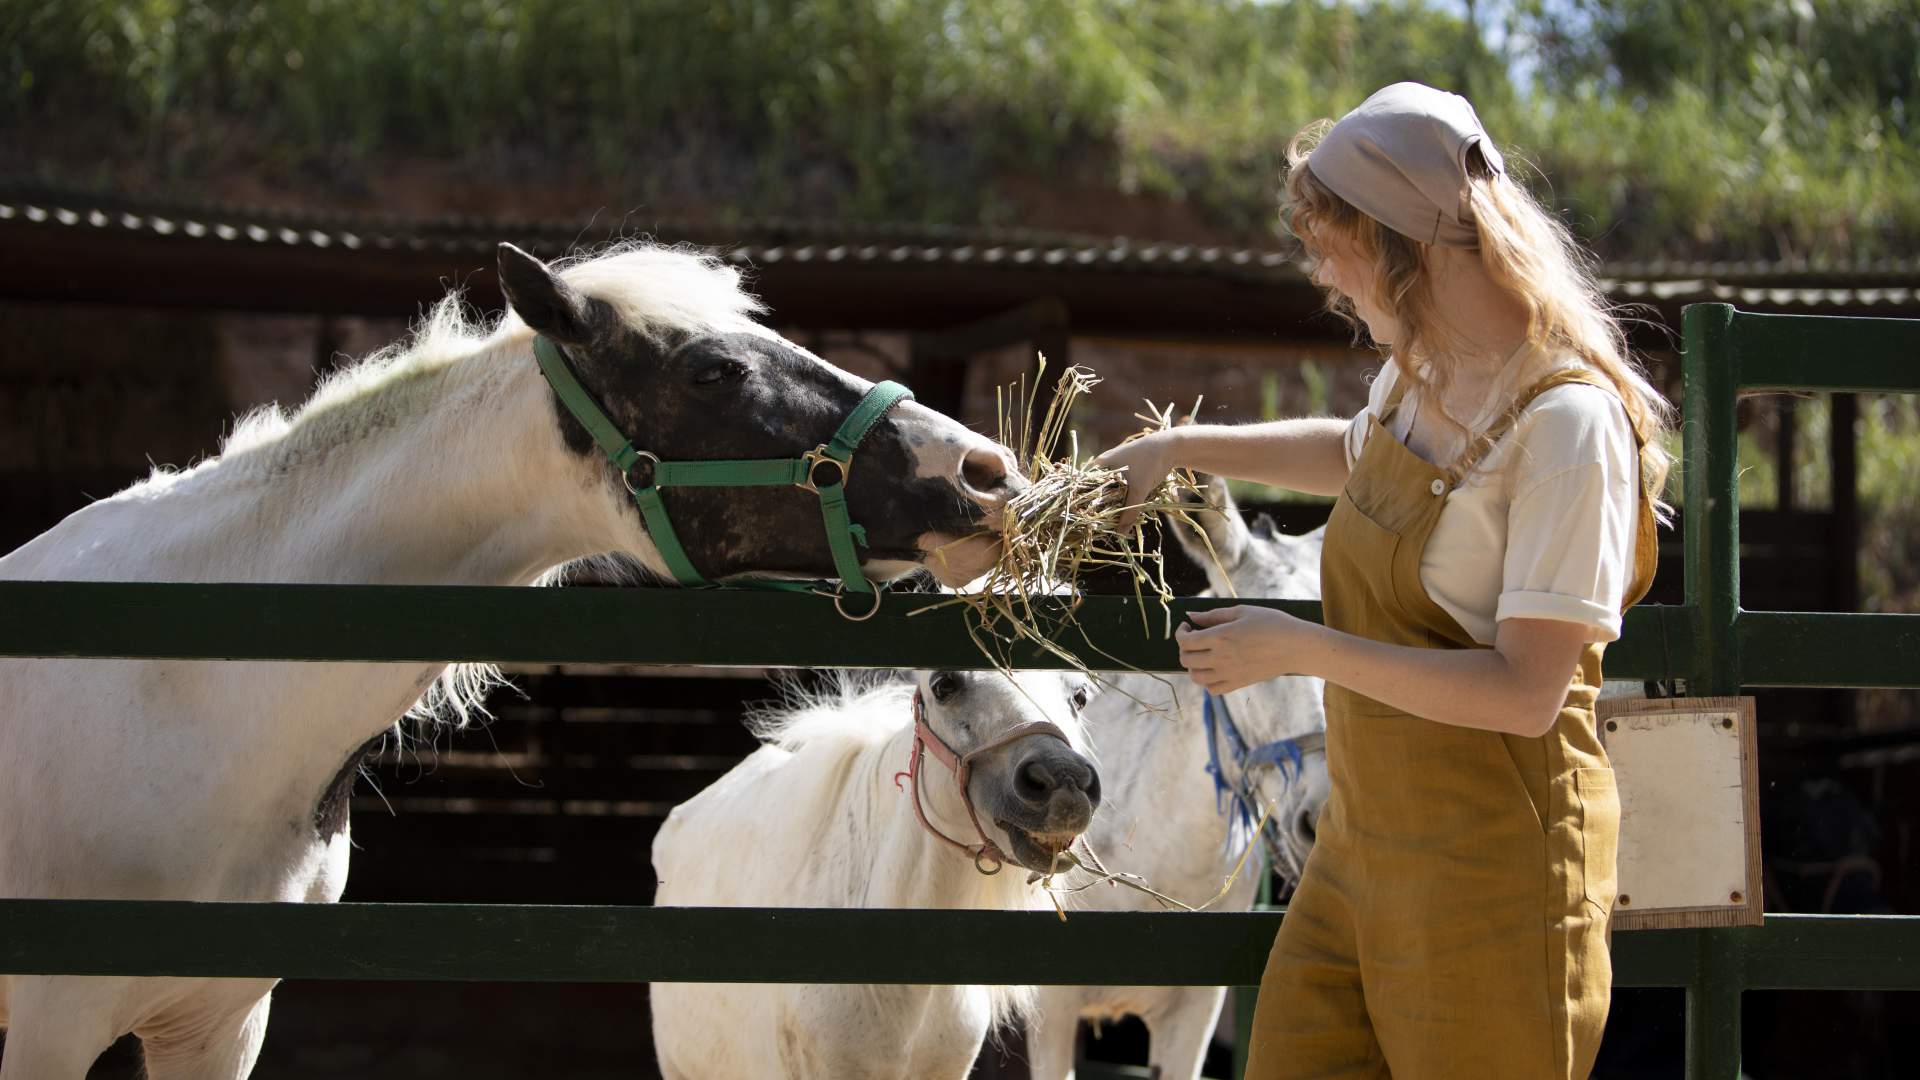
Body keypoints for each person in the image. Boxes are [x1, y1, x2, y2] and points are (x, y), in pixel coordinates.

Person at [1095, 82, 1670, 1078]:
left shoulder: (1567, 428)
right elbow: (1356, 455)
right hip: (1361, 852)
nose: (1321, 272)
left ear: (1405, 245)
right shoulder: (1424, 373)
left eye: (1333, 241)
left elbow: (1527, 694)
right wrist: (1183, 445)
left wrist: (1299, 646)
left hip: (1495, 879)